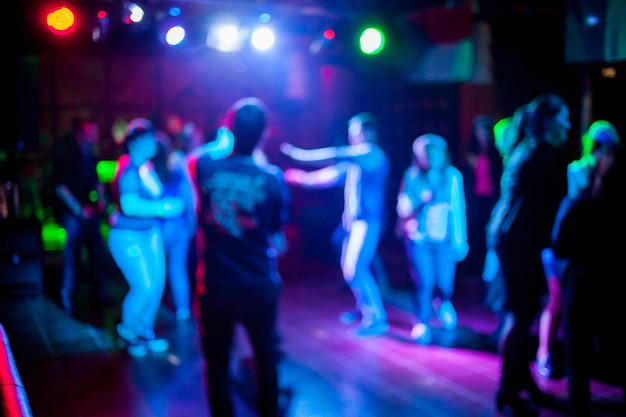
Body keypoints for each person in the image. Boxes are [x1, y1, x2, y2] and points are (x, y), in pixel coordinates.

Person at [190, 97, 290, 417]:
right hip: (258, 283)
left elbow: (194, 156)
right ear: (265, 134)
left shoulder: (206, 166)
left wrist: (225, 137)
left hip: (217, 284)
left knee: (217, 365)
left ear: (228, 128)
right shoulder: (273, 178)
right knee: (265, 357)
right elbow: (274, 231)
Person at [485, 94, 570, 415]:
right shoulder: (539, 152)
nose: (569, 123)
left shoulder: (530, 149)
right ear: (548, 120)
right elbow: (550, 206)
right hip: (520, 242)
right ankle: (507, 393)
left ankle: (521, 385)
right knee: (519, 318)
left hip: (515, 240)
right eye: (563, 116)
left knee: (520, 316)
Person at [280, 112, 390, 337]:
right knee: (351, 266)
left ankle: (377, 318)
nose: (351, 138)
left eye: (355, 133)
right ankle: (363, 309)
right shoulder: (354, 161)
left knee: (355, 269)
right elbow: (329, 175)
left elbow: (335, 154)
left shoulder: (371, 153)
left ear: (368, 132)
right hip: (354, 223)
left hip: (368, 222)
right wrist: (301, 178)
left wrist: (299, 155)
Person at [535, 119, 621, 379]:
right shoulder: (575, 170)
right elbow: (569, 210)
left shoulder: (614, 175)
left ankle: (591, 356)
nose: (603, 153)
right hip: (564, 250)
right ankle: (544, 353)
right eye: (601, 147)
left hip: (586, 253)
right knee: (557, 303)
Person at [551, 144, 626, 417]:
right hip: (614, 288)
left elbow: (558, 247)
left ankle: (579, 409)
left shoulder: (577, 205)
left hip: (581, 286)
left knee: (577, 356)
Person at [108, 118, 185, 358]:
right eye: (145, 138)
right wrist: (164, 208)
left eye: (152, 137)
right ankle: (128, 332)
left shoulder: (146, 168)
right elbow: (130, 205)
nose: (151, 142)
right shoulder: (128, 169)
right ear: (132, 143)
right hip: (129, 237)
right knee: (144, 286)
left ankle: (144, 330)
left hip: (149, 234)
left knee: (156, 285)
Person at [396, 133, 469, 345]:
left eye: (433, 152)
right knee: (423, 281)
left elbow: (458, 209)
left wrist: (460, 240)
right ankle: (421, 321)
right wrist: (422, 200)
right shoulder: (411, 176)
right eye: (424, 153)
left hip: (444, 240)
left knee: (445, 281)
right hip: (420, 240)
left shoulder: (453, 177)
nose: (429, 157)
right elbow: (403, 208)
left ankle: (443, 303)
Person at [50, 116, 110, 317]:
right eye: (89, 132)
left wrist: (100, 201)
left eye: (94, 132)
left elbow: (96, 183)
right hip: (72, 215)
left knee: (97, 252)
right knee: (71, 258)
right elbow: (60, 187)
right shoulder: (65, 158)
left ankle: (98, 292)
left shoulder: (92, 158)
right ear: (78, 135)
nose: (93, 136)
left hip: (89, 214)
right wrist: (77, 209)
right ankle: (68, 298)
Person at [151, 134, 197, 322]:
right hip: (179, 227)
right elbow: (189, 198)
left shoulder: (148, 173)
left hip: (158, 228)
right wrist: (192, 224)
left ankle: (151, 315)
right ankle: (183, 311)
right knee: (178, 270)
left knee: (155, 272)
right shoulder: (178, 169)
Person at [463, 115, 502, 278]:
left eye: (485, 131)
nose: (482, 135)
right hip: (475, 200)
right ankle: (473, 268)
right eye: (479, 131)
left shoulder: (496, 153)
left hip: (491, 199)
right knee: (475, 232)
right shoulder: (471, 152)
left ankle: (487, 272)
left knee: (489, 233)